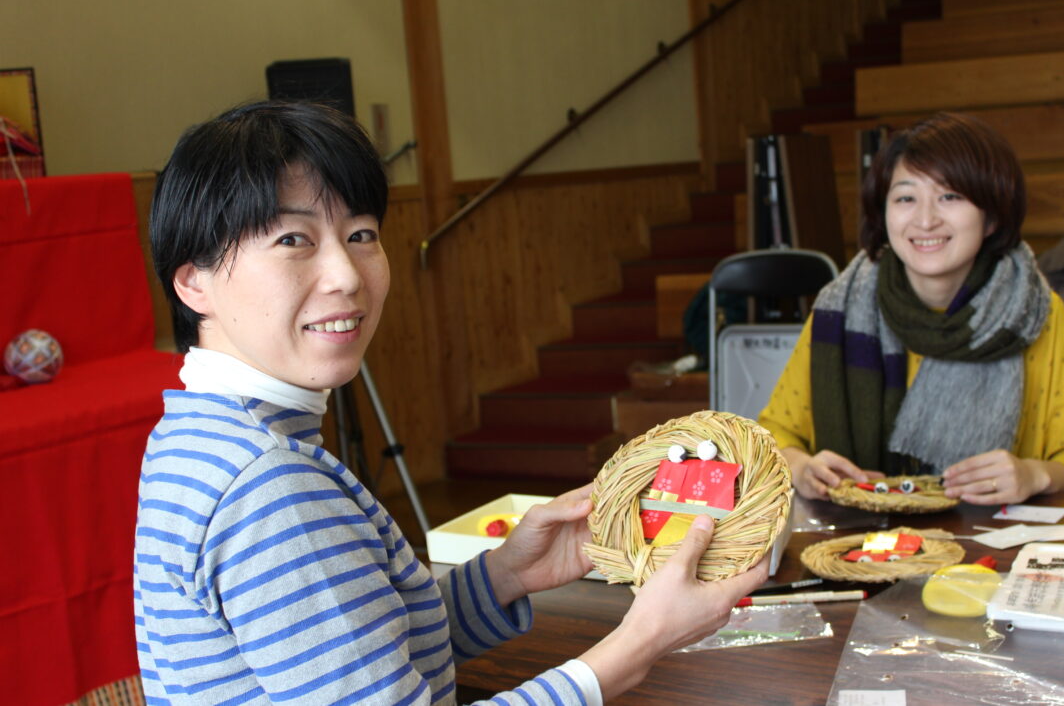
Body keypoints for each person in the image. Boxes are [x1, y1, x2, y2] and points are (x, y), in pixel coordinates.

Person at [134, 101, 770, 705]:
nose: (348, 275)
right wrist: (640, 641)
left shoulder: (197, 433)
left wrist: (505, 575)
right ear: (195, 281)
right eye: (293, 241)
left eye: (361, 234)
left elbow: (359, 652)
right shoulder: (269, 485)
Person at [757, 112, 1064, 505]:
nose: (925, 220)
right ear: (883, 212)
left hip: (986, 551)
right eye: (906, 198)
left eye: (950, 196)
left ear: (991, 216)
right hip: (861, 549)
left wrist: (1035, 474)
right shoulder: (838, 307)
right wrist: (802, 468)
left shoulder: (1033, 312)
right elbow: (775, 436)